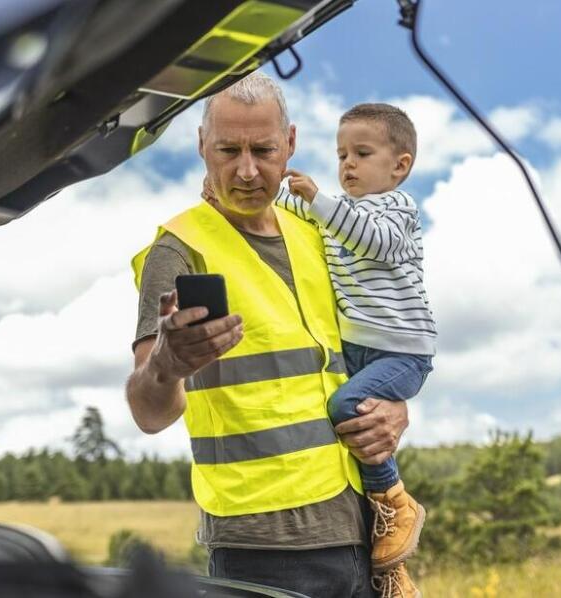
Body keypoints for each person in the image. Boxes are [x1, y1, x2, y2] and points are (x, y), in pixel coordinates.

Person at [126, 72, 413, 598]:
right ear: (200, 147)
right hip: (260, 546)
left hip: (361, 528)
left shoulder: (317, 232)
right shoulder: (177, 251)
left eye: (263, 149)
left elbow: (363, 350)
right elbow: (149, 412)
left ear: (291, 144)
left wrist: (393, 407)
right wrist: (168, 364)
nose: (246, 170)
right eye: (227, 150)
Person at [272, 103, 435, 595]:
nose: (347, 164)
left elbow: (374, 243)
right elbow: (287, 205)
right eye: (342, 153)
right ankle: (382, 548)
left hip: (401, 351)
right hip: (359, 349)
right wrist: (265, 183)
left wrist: (319, 200)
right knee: (346, 427)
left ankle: (395, 500)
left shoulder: (395, 211)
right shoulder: (336, 212)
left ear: (399, 166)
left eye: (362, 153)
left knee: (344, 406)